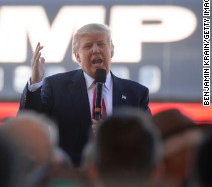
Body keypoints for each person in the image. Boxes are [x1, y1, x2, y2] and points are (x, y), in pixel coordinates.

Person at [19, 23, 150, 167]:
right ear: (77, 56)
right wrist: (36, 83)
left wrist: (113, 135)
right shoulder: (56, 87)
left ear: (111, 50)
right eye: (88, 46)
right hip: (74, 178)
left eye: (101, 44)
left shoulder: (136, 93)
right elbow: (28, 121)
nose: (95, 50)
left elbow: (148, 139)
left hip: (119, 178)